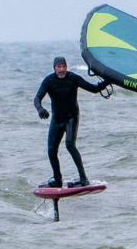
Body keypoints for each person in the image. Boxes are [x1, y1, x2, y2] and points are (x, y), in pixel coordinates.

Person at [34, 56, 108, 188]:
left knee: (69, 144)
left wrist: (108, 80)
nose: (61, 69)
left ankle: (84, 179)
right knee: (51, 150)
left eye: (63, 66)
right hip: (57, 119)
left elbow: (94, 89)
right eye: (59, 67)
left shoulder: (73, 78)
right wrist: (40, 109)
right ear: (55, 68)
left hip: (71, 118)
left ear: (66, 67)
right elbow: (37, 98)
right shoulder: (49, 81)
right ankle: (57, 180)